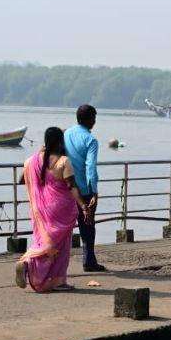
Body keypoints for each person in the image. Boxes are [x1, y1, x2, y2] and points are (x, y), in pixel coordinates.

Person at [16, 127, 86, 292]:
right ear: (61, 142)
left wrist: (37, 163)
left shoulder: (31, 161)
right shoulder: (63, 161)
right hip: (60, 210)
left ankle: (28, 265)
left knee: (44, 241)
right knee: (60, 247)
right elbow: (72, 186)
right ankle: (55, 279)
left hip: (40, 209)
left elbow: (21, 180)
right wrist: (83, 205)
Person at [63, 104, 106, 273]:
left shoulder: (66, 134)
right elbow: (90, 167)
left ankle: (56, 263)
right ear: (89, 119)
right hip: (84, 191)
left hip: (66, 188)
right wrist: (94, 190)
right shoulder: (90, 140)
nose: (95, 122)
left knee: (63, 227)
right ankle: (88, 261)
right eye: (94, 118)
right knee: (87, 226)